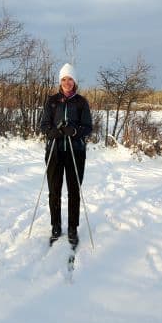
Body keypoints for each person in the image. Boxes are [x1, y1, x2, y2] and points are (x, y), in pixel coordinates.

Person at [40, 63, 93, 247]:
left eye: (70, 79)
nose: (67, 82)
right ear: (60, 81)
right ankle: (56, 226)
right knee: (54, 190)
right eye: (64, 79)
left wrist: (75, 131)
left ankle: (72, 228)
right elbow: (44, 124)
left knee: (73, 190)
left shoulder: (81, 102)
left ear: (74, 81)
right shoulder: (52, 101)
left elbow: (88, 127)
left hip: (75, 151)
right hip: (55, 151)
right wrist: (51, 131)